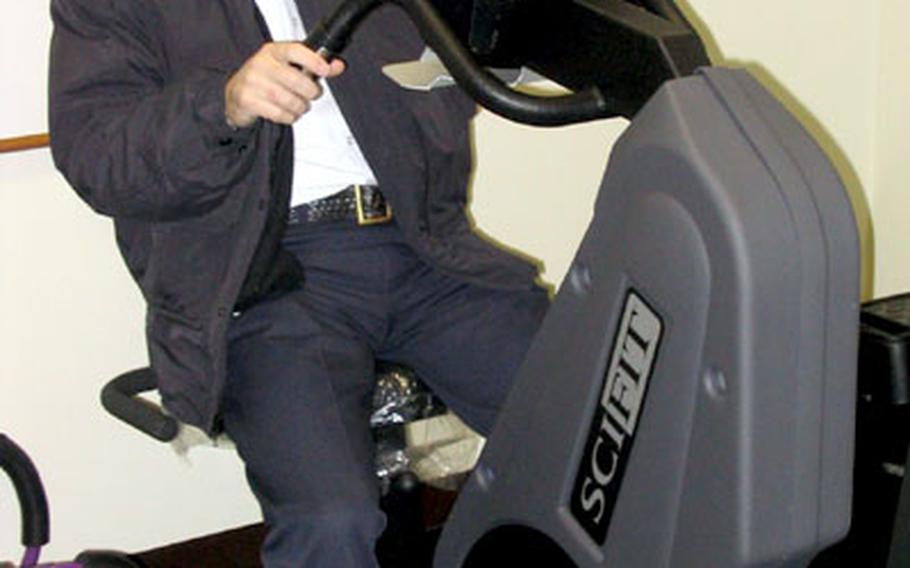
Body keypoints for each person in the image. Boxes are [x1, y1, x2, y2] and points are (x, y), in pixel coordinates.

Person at [49, 0, 549, 565]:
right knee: (331, 519)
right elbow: (94, 154)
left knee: (612, 427)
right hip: (268, 276)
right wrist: (222, 104)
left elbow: (476, 55)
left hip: (426, 249)